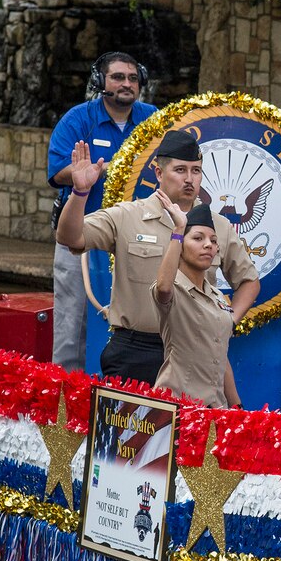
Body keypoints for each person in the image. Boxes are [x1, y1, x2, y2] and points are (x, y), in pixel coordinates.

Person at [56, 130, 260, 386]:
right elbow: (70, 237)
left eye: (196, 171)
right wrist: (80, 193)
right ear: (159, 173)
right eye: (180, 170)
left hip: (193, 354)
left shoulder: (218, 226)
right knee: (127, 426)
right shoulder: (127, 216)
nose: (189, 179)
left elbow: (249, 281)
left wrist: (227, 322)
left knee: (189, 426)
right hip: (135, 350)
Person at [45, 52, 156, 371]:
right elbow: (57, 171)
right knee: (72, 326)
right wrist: (85, 174)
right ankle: (67, 404)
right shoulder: (78, 119)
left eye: (133, 78)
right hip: (82, 239)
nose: (127, 84)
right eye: (118, 77)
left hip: (140, 241)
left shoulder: (154, 119)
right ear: (100, 82)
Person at [151, 196, 240, 408]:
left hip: (215, 407)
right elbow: (163, 287)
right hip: (176, 407)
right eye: (198, 238)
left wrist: (236, 406)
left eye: (213, 241)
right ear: (181, 245)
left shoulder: (217, 296)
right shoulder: (174, 288)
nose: (208, 245)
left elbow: (219, 355)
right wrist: (178, 230)